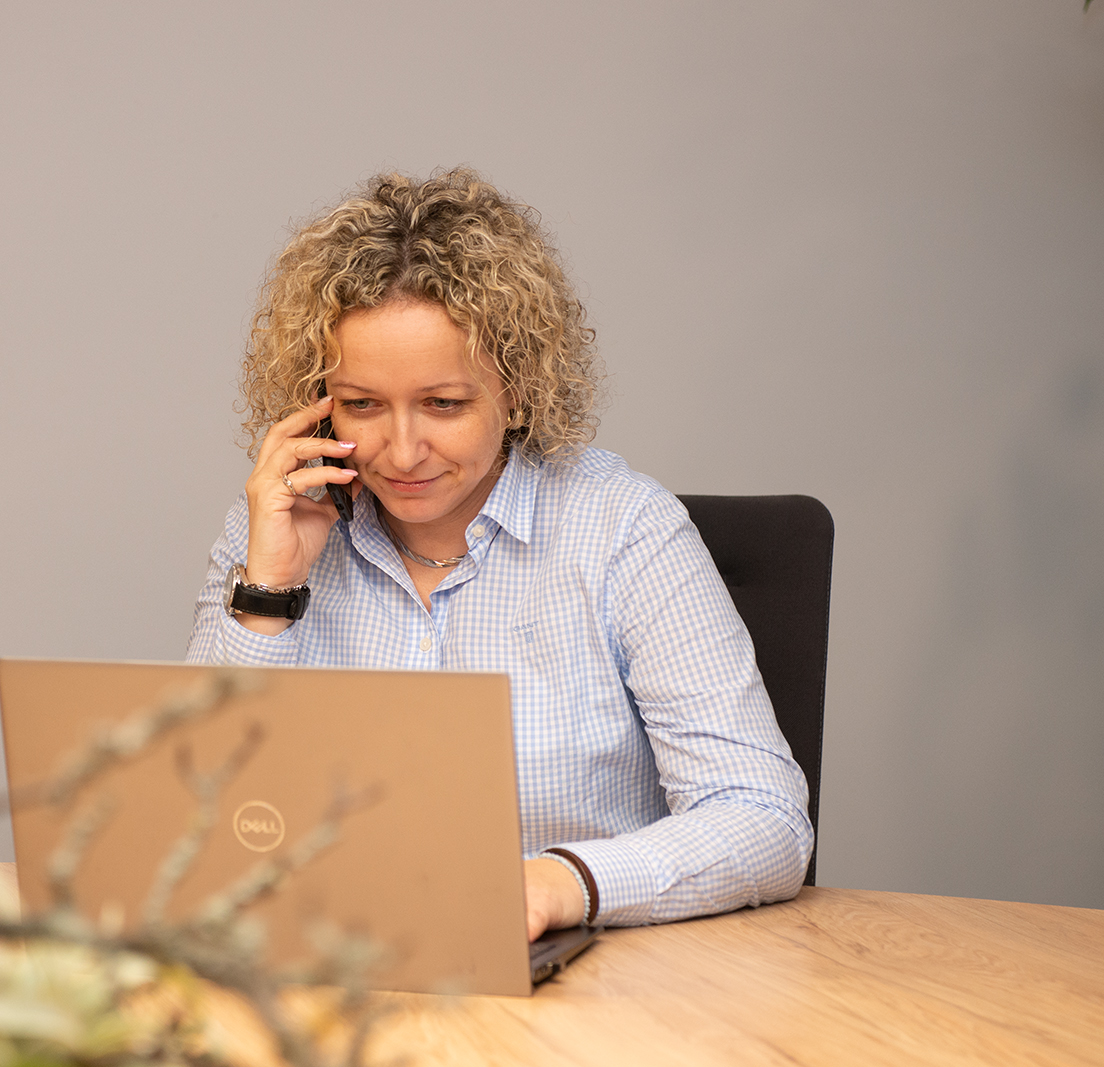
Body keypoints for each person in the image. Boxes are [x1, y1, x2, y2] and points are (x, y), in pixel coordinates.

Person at [187, 168, 812, 936]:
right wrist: (269, 594)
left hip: (588, 986)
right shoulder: (268, 530)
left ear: (515, 389)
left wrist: (559, 883)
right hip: (333, 970)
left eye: (444, 404)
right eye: (361, 405)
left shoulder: (625, 530)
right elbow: (198, 827)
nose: (403, 450)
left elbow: (764, 816)